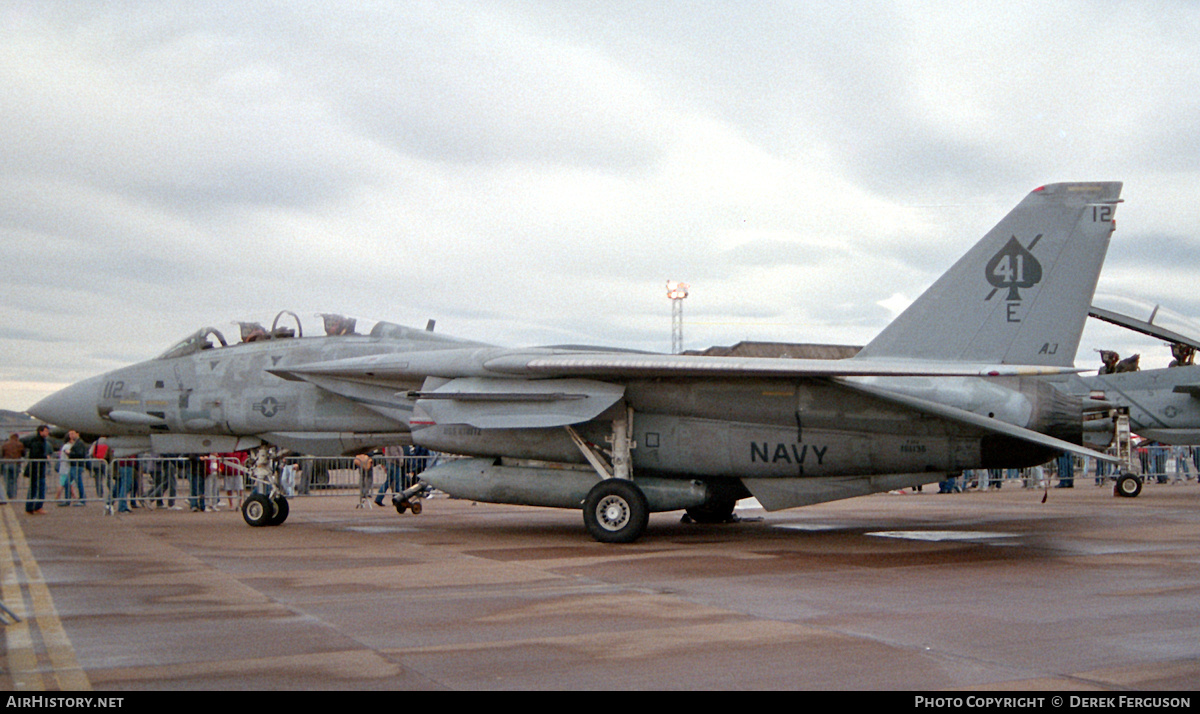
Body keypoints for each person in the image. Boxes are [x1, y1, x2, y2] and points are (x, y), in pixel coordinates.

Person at [21, 426, 53, 514]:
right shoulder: (37, 441)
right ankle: (36, 506)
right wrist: (45, 457)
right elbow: (35, 454)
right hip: (37, 468)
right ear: (40, 431)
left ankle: (31, 507)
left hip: (37, 467)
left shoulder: (40, 441)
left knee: (34, 488)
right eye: (45, 431)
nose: (47, 433)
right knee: (38, 488)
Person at [2, 432, 24, 502]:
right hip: (16, 463)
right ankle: (13, 495)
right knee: (14, 480)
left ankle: (8, 494)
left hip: (6, 463)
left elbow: (2, 454)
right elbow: (23, 453)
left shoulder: (5, 444)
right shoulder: (20, 444)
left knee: (7, 480)